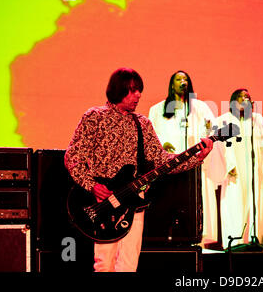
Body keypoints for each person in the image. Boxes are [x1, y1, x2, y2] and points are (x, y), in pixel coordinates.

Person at [64, 67, 213, 272]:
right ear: (118, 90)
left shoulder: (142, 123)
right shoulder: (95, 117)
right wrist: (92, 186)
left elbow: (161, 160)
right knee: (104, 264)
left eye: (139, 90)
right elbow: (73, 156)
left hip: (134, 202)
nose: (138, 95)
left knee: (128, 264)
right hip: (104, 201)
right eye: (133, 90)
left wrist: (197, 157)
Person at [148, 70, 218, 246]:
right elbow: (150, 136)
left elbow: (211, 131)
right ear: (172, 84)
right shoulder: (158, 109)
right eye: (178, 79)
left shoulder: (200, 107)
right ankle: (165, 242)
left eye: (185, 79)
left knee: (193, 203)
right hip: (167, 167)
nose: (182, 82)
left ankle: (195, 240)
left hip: (192, 165)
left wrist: (209, 129)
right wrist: (162, 147)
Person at [209, 89, 263, 249]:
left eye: (248, 97)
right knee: (235, 205)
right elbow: (217, 147)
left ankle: (258, 239)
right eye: (241, 97)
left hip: (255, 172)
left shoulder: (256, 119)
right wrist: (228, 165)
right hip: (234, 173)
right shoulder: (223, 120)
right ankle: (236, 242)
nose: (245, 99)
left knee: (256, 204)